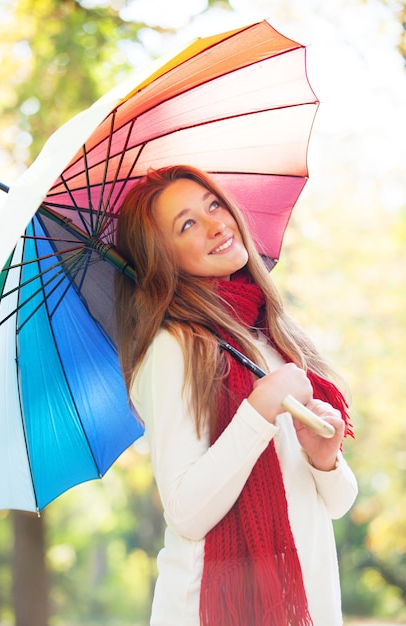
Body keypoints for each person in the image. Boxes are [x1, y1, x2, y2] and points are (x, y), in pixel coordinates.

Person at [114, 165, 358, 626]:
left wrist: (325, 459)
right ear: (163, 259)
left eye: (214, 205)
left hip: (306, 603)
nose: (215, 224)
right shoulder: (175, 348)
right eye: (187, 224)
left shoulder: (273, 336)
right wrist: (260, 410)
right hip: (214, 610)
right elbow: (186, 512)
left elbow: (339, 503)